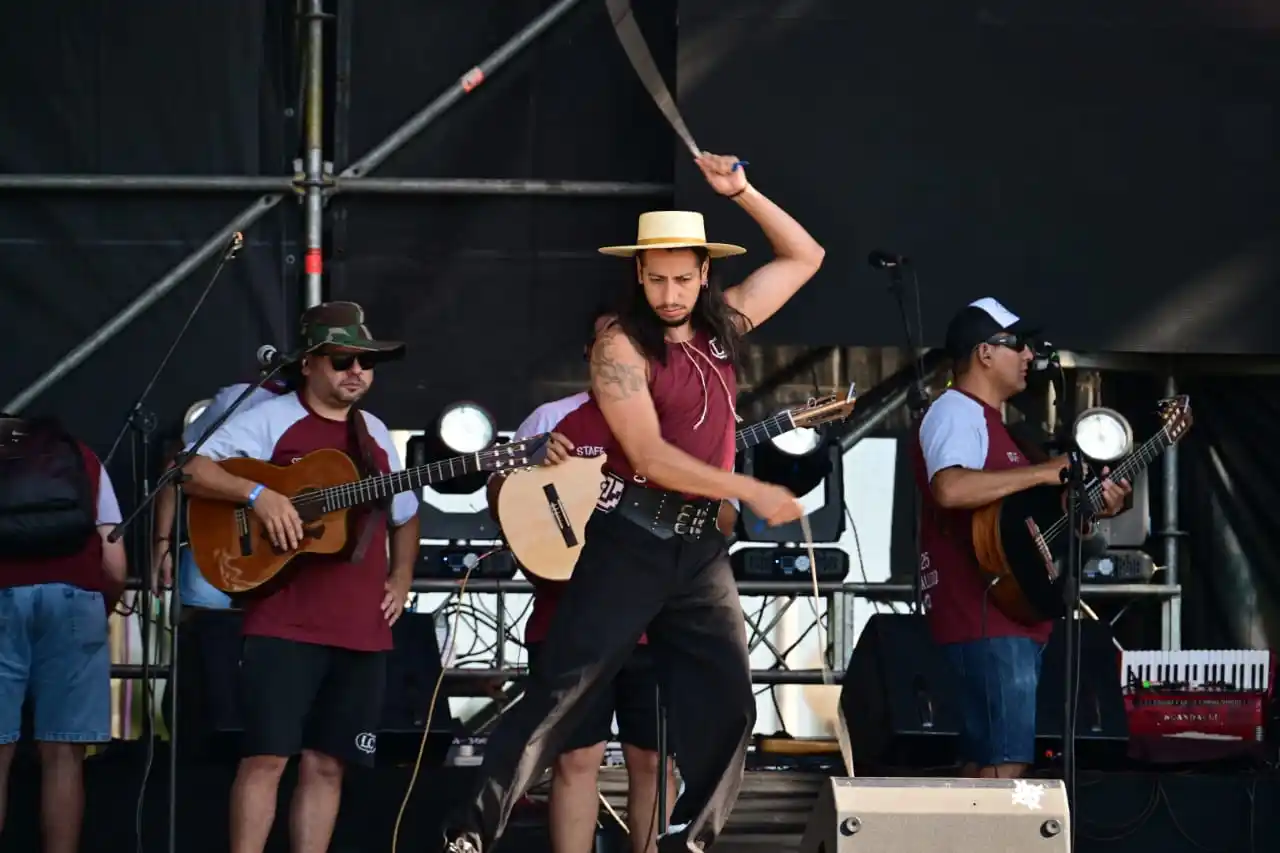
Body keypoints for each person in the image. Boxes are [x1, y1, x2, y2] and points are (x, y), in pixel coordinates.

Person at [448, 150, 825, 853]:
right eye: (656, 279)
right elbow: (650, 457)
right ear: (639, 276)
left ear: (706, 273)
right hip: (632, 539)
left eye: (684, 277)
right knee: (562, 695)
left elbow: (806, 256)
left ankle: (688, 840)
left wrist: (741, 190)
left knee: (732, 707)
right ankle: (470, 828)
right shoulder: (620, 345)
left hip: (699, 552)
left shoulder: (724, 328)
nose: (671, 292)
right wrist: (750, 488)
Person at [179, 302, 421, 853]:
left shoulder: (376, 433)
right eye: (342, 360)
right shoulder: (268, 418)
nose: (356, 371)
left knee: (329, 764)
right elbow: (190, 468)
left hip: (361, 626)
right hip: (284, 621)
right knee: (265, 757)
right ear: (309, 364)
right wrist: (259, 496)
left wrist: (403, 575)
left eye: (366, 361)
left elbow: (406, 515)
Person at [490, 306, 732, 853]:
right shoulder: (551, 417)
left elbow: (727, 520)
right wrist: (522, 468)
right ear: (589, 353)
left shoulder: (686, 420)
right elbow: (506, 510)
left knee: (654, 759)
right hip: (571, 614)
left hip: (657, 618)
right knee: (576, 757)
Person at [912, 297, 1131, 779]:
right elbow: (950, 488)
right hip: (983, 613)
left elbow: (1022, 524)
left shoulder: (1005, 433)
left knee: (989, 761)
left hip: (1012, 611)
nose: (1030, 356)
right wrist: (1043, 474)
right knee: (1002, 761)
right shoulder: (956, 411)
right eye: (1018, 345)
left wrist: (1092, 508)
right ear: (984, 353)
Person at [0, 416, 127, 853]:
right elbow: (114, 557)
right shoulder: (82, 456)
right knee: (63, 755)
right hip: (76, 602)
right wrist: (101, 604)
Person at [152, 376, 294, 608]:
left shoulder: (353, 424)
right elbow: (176, 468)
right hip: (216, 546)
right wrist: (162, 541)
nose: (354, 370)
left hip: (285, 565)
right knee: (207, 628)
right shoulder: (241, 399)